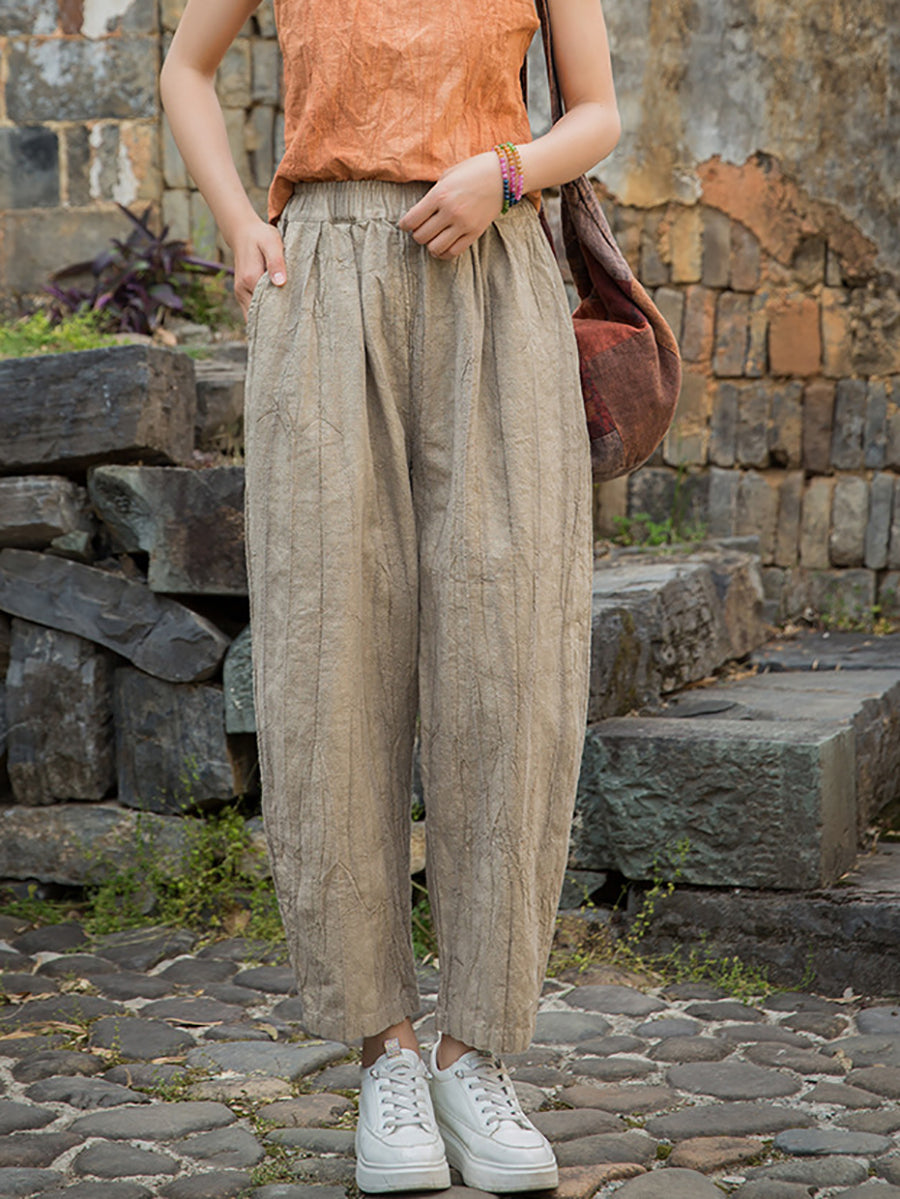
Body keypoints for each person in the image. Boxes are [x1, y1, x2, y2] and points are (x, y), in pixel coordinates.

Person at [160, 0, 619, 1190]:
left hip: (495, 270)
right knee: (331, 653)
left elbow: (598, 114)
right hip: (323, 280)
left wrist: (504, 174)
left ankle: (477, 1051)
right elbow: (186, 68)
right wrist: (240, 226)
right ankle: (388, 1054)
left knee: (511, 663)